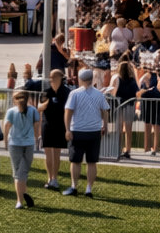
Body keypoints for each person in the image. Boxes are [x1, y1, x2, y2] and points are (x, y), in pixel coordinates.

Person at [64, 67, 108, 196]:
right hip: (94, 131)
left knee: (75, 161)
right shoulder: (99, 94)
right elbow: (105, 111)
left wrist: (67, 129)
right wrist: (104, 125)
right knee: (92, 162)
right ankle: (89, 189)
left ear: (80, 79)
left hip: (77, 130)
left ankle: (74, 186)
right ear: (92, 79)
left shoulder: (75, 93)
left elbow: (68, 112)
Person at [4, 88, 40, 208]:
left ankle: (20, 200)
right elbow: (36, 127)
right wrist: (36, 139)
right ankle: (23, 195)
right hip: (29, 144)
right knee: (23, 172)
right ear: (28, 98)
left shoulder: (11, 112)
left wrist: (5, 143)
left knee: (18, 173)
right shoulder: (33, 110)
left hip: (14, 144)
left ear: (15, 99)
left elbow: (6, 127)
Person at [39, 68, 70, 189]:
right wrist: (45, 104)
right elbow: (39, 107)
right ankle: (49, 178)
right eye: (50, 78)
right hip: (47, 126)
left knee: (56, 154)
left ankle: (55, 179)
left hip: (60, 126)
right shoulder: (46, 92)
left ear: (59, 79)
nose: (50, 80)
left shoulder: (67, 92)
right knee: (48, 154)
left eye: (53, 78)